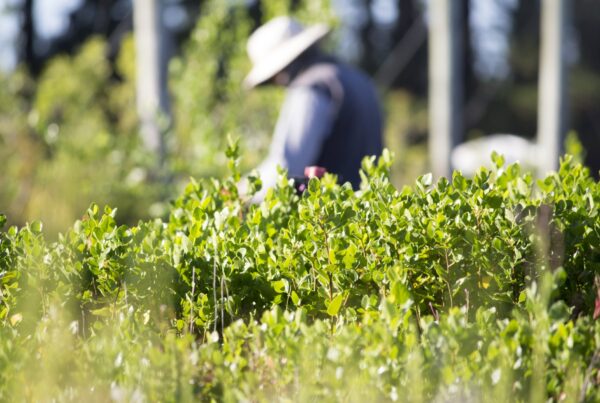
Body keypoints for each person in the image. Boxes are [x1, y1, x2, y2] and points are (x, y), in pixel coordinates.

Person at [243, 16, 383, 200]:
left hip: (330, 219)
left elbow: (288, 165)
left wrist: (241, 193)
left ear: (281, 71)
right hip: (369, 211)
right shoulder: (357, 79)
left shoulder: (311, 89)